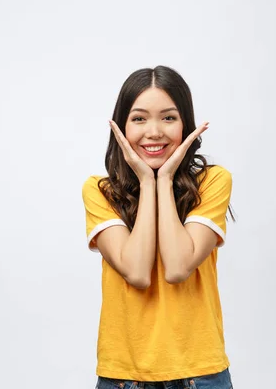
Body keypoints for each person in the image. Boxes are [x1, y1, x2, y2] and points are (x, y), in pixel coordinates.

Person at [82, 65, 235, 389]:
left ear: (186, 124)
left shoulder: (213, 182)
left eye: (168, 117)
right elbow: (136, 272)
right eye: (139, 118)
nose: (154, 131)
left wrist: (163, 179)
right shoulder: (99, 190)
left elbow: (177, 267)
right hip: (124, 377)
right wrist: (146, 182)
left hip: (199, 373)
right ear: (121, 125)